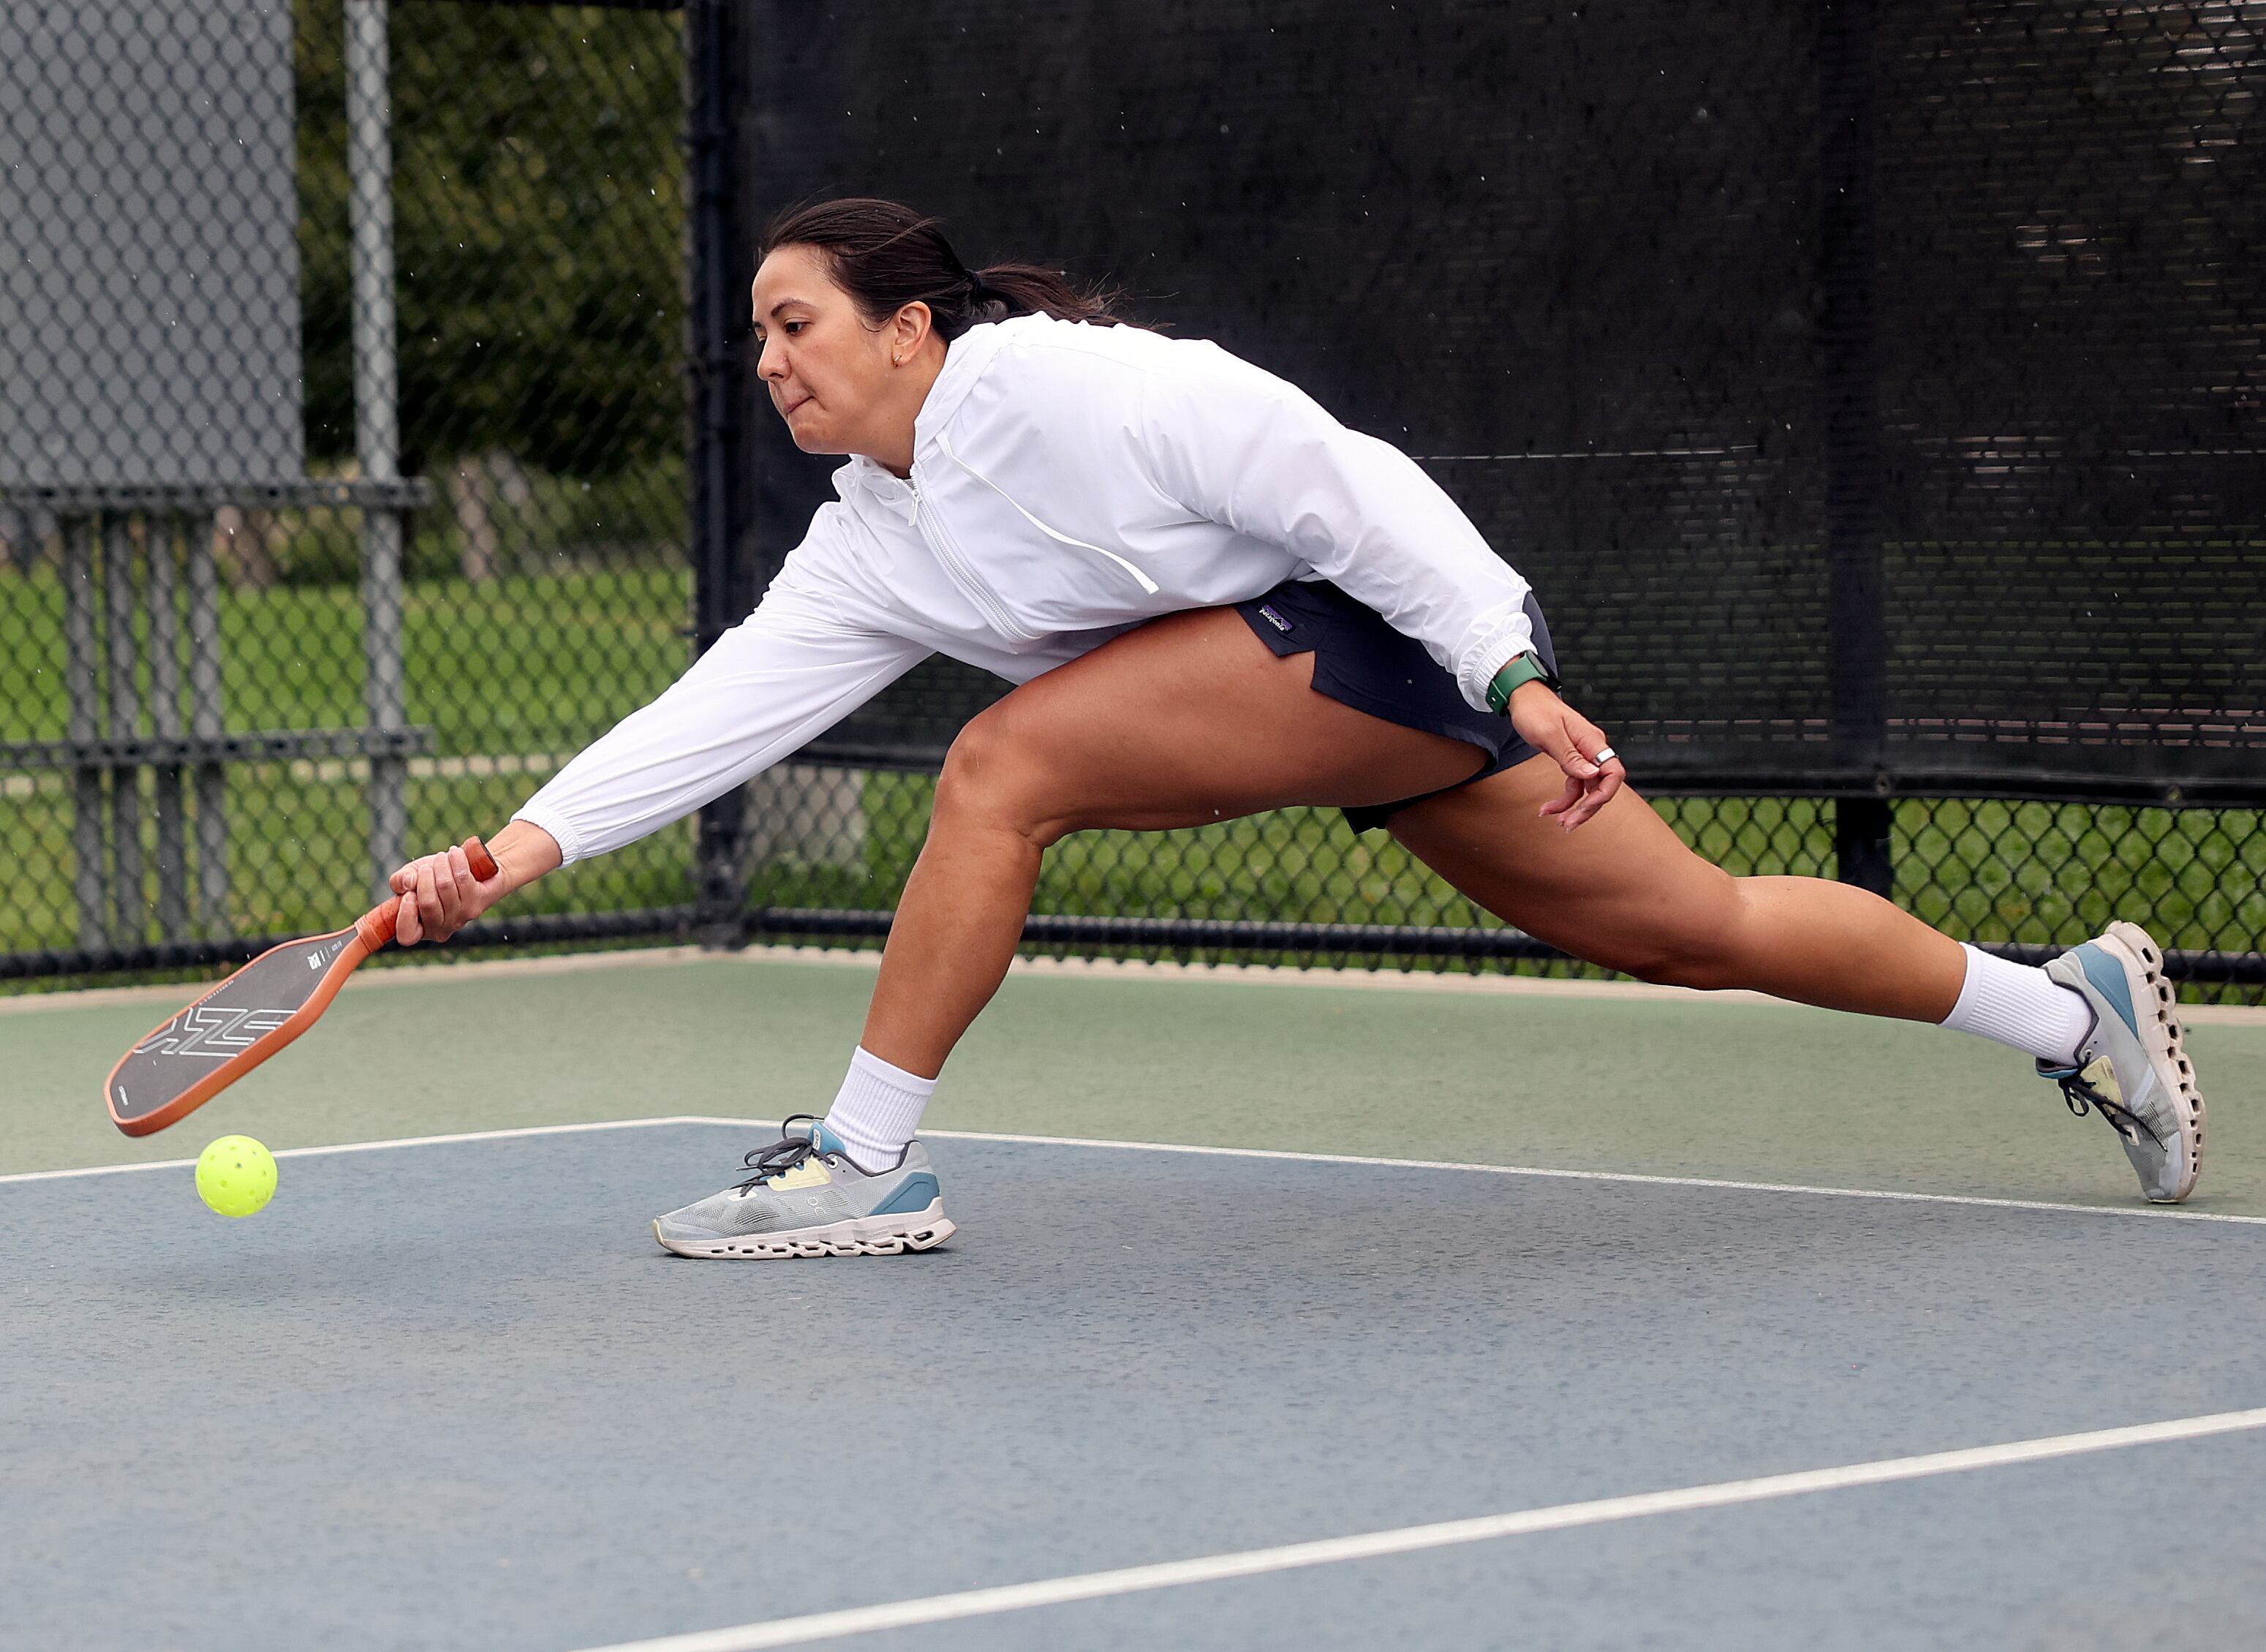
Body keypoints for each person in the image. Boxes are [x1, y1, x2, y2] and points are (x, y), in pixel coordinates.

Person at [385, 197, 2205, 1255]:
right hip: (1319, 690)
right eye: (757, 339)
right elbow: (721, 706)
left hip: (1397, 638)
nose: (768, 358)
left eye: (797, 323)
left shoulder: (1081, 393)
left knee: (998, 764)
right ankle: (2070, 1006)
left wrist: (1512, 673)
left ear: (911, 326)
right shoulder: (869, 537)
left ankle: (861, 1161)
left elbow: (1357, 490)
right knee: (1688, 928)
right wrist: (510, 849)